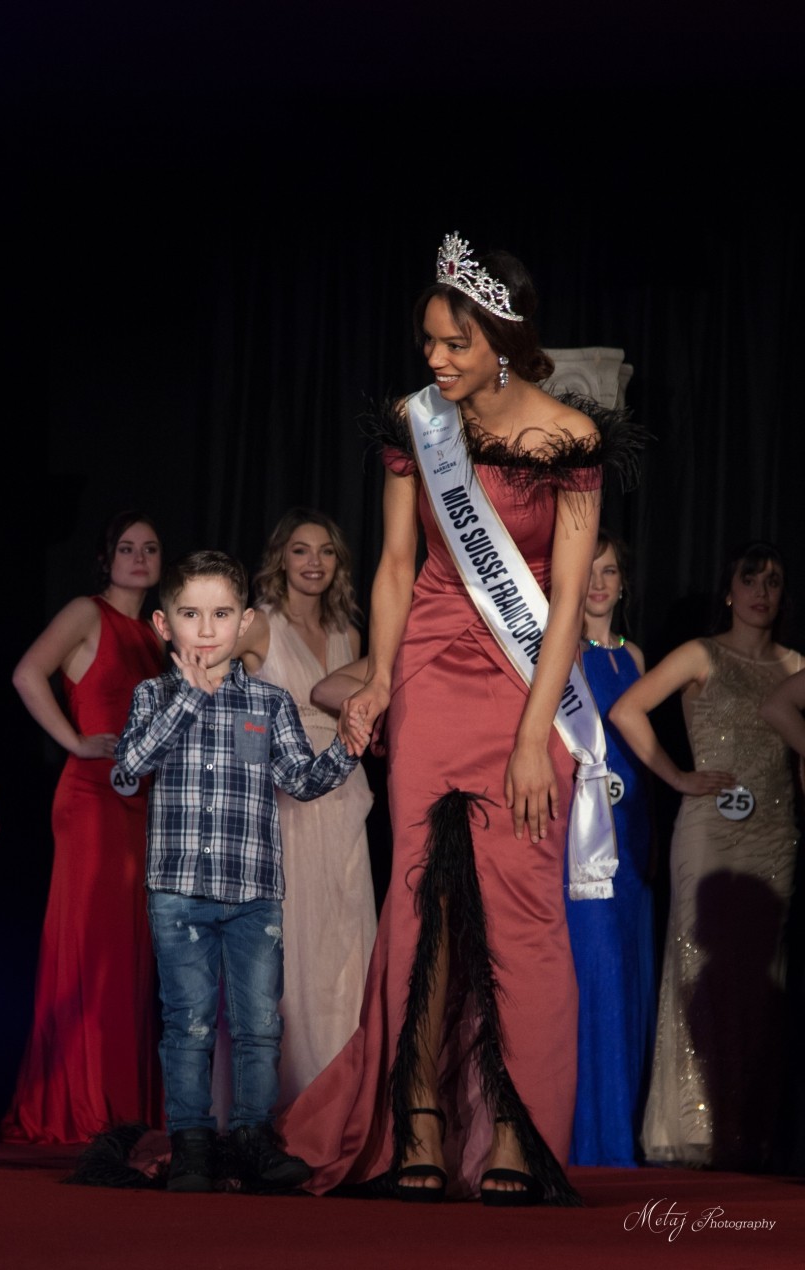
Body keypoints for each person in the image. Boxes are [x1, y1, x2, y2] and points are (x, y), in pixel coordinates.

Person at [278, 233, 636, 1205]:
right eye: (429, 341)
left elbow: (566, 601)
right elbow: (397, 565)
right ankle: (419, 1116)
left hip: (528, 683)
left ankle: (516, 1124)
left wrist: (531, 738)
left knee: (521, 905)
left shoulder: (569, 436)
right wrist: (378, 683)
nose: (435, 358)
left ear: (505, 343)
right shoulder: (417, 422)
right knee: (422, 898)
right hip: (432, 667)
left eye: (454, 343)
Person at [114, 550, 360, 1192]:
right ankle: (192, 1143)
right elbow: (127, 769)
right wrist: (186, 703)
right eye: (191, 615)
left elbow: (299, 780)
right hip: (179, 894)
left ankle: (253, 1137)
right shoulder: (153, 695)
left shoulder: (268, 702)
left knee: (259, 1026)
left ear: (245, 621)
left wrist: (347, 747)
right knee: (188, 1023)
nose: (206, 629)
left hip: (254, 894)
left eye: (222, 614)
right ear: (163, 624)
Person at [610, 542, 802, 1169]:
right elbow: (627, 709)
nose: (761, 592)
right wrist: (677, 777)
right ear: (728, 590)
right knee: (699, 967)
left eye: (773, 582)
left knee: (759, 979)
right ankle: (691, 1129)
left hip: (775, 835)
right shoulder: (701, 653)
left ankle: (746, 1131)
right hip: (709, 829)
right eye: (750, 579)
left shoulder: (796, 665)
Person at [2, 512, 165, 1143]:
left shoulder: (156, 634)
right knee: (96, 950)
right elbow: (25, 674)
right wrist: (74, 740)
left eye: (150, 548)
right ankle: (86, 1102)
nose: (139, 557)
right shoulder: (86, 612)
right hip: (92, 799)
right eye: (126, 548)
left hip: (144, 803)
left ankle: (123, 1102)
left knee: (132, 955)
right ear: (105, 559)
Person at [235, 509, 376, 1106]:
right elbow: (213, 683)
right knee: (291, 941)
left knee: (343, 939)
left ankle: (337, 1097)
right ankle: (285, 1096)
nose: (313, 562)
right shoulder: (258, 625)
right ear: (281, 558)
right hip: (284, 799)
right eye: (300, 550)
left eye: (326, 551)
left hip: (343, 792)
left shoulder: (350, 633)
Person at [565, 530, 655, 1166]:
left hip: (635, 829)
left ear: (624, 584)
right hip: (584, 838)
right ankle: (588, 1136)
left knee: (629, 970)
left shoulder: (636, 655)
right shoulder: (560, 651)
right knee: (593, 970)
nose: (598, 583)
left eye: (610, 571)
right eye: (589, 571)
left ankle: (623, 1129)